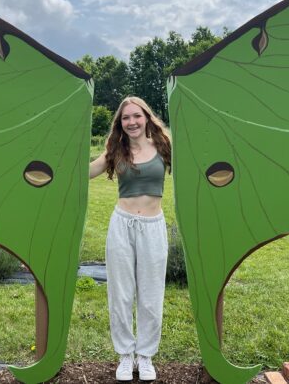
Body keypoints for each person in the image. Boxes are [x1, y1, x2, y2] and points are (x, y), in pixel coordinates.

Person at [89, 96, 172, 382]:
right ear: (120, 123)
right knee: (121, 294)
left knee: (150, 295)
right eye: (126, 118)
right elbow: (87, 172)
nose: (132, 122)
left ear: (147, 117)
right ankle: (126, 355)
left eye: (137, 116)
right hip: (121, 225)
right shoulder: (116, 150)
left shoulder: (164, 146)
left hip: (152, 227)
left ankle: (145, 356)